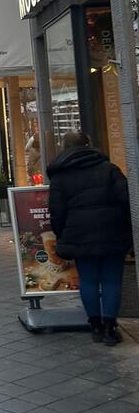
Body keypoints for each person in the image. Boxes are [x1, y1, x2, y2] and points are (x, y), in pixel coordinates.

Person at [48, 131, 132, 346]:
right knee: (112, 280)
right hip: (112, 232)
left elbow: (56, 212)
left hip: (79, 235)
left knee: (88, 280)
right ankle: (110, 328)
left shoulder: (60, 175)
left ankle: (95, 325)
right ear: (88, 145)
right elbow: (127, 201)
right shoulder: (109, 169)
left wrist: (62, 235)